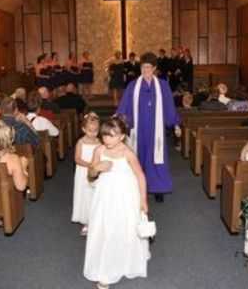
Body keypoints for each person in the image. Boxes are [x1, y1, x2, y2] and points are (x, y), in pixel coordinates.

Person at [84, 116, 149, 289]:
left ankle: (117, 265)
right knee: (105, 228)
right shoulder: (99, 150)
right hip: (105, 195)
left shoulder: (128, 153)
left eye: (112, 136)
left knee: (122, 227)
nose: (107, 139)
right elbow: (90, 176)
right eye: (105, 135)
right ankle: (105, 267)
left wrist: (143, 200)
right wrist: (97, 168)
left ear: (122, 136)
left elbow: (140, 176)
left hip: (126, 195)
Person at [117, 52, 181, 202]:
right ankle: (137, 187)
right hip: (138, 129)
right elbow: (125, 105)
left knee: (156, 158)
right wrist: (119, 119)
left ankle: (158, 188)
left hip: (155, 130)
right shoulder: (133, 86)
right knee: (138, 157)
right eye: (143, 68)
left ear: (154, 68)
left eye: (148, 68)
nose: (145, 71)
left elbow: (169, 106)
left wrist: (175, 123)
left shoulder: (163, 85)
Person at [72, 112, 100, 236]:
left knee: (95, 195)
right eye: (90, 130)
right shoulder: (81, 142)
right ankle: (86, 222)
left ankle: (96, 220)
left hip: (95, 172)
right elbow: (77, 159)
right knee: (85, 195)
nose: (93, 133)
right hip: (83, 172)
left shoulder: (99, 142)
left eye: (96, 130)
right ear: (84, 129)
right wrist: (89, 164)